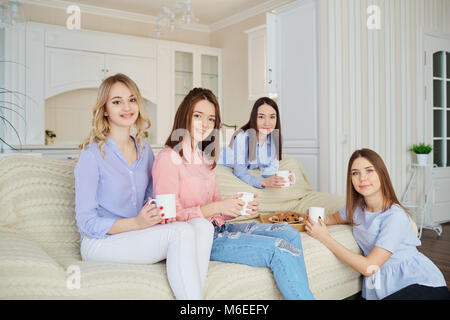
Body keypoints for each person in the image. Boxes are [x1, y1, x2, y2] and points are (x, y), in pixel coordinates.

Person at [152, 88, 314, 300]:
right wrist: (218, 208)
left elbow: (218, 207)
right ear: (185, 115)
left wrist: (236, 207)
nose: (205, 124)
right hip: (198, 239)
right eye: (198, 116)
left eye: (211, 119)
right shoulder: (168, 158)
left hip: (220, 228)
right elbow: (168, 218)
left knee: (288, 233)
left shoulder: (206, 159)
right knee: (278, 249)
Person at [74, 73, 213, 300]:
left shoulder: (144, 150)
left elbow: (152, 198)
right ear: (105, 109)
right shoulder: (91, 156)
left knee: (203, 227)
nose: (127, 107)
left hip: (139, 233)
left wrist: (159, 214)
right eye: (117, 102)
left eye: (132, 100)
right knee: (180, 233)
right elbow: (86, 223)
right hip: (101, 243)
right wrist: (137, 222)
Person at [305, 148, 450, 300]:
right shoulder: (356, 208)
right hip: (383, 287)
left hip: (418, 282)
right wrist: (313, 217)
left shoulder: (394, 216)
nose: (362, 178)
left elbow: (369, 267)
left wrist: (324, 237)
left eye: (369, 171)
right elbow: (333, 218)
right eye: (355, 173)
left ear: (381, 174)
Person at [218, 97, 290, 189]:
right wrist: (262, 182)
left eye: (272, 117)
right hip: (217, 159)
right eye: (261, 117)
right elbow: (240, 174)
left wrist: (276, 179)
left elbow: (271, 168)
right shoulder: (242, 138)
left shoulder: (276, 139)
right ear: (254, 118)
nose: (267, 123)